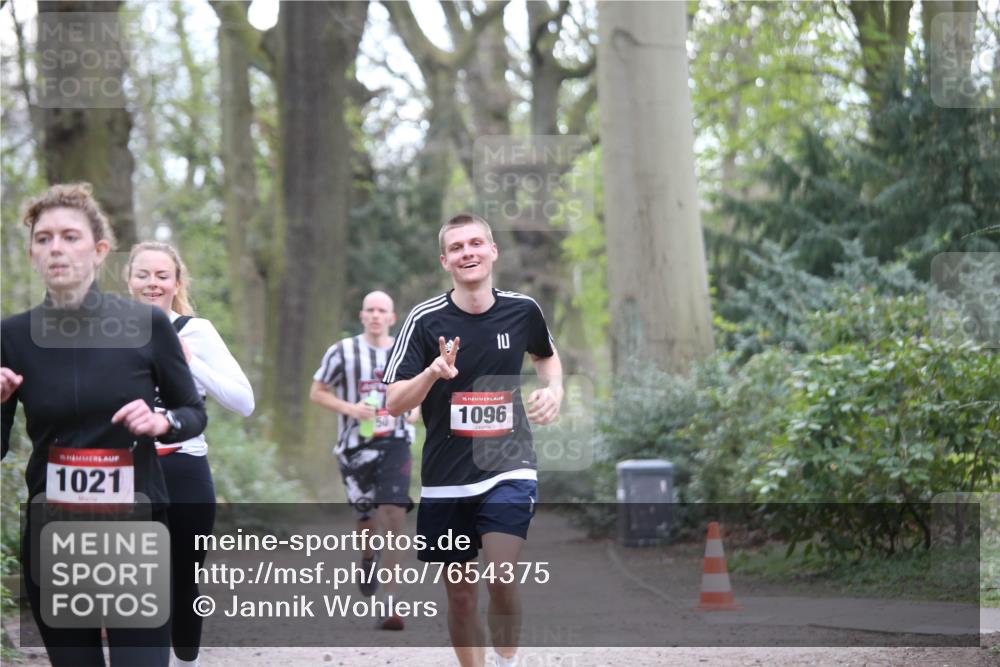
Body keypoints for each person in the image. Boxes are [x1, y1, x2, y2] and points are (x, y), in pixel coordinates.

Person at [1, 183, 208, 667]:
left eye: (70, 237)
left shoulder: (146, 325)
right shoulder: (12, 337)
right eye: (44, 238)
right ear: (32, 252)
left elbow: (193, 412)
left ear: (98, 251)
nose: (56, 248)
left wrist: (162, 421)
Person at [384, 213, 563, 667]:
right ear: (445, 261)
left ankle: (506, 661)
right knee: (461, 596)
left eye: (476, 243)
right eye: (458, 247)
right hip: (447, 478)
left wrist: (554, 389)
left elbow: (547, 356)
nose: (469, 252)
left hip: (509, 464)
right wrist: (432, 372)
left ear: (492, 251)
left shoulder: (523, 310)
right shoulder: (424, 321)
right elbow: (393, 403)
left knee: (502, 574)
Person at [125, 241, 255, 667]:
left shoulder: (196, 331)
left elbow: (243, 401)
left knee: (183, 580)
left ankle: (186, 662)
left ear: (177, 282)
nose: (152, 283)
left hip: (183, 467)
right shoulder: (111, 332)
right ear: (129, 280)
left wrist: (188, 360)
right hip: (124, 471)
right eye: (143, 274)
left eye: (162, 275)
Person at [309, 290, 417, 630]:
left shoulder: (407, 349)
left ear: (391, 317)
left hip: (396, 441)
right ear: (362, 316)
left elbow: (424, 389)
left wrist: (415, 410)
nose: (375, 315)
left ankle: (391, 603)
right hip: (354, 446)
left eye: (381, 310)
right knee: (367, 518)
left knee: (394, 514)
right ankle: (368, 557)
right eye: (369, 310)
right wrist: (351, 409)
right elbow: (318, 391)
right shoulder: (342, 351)